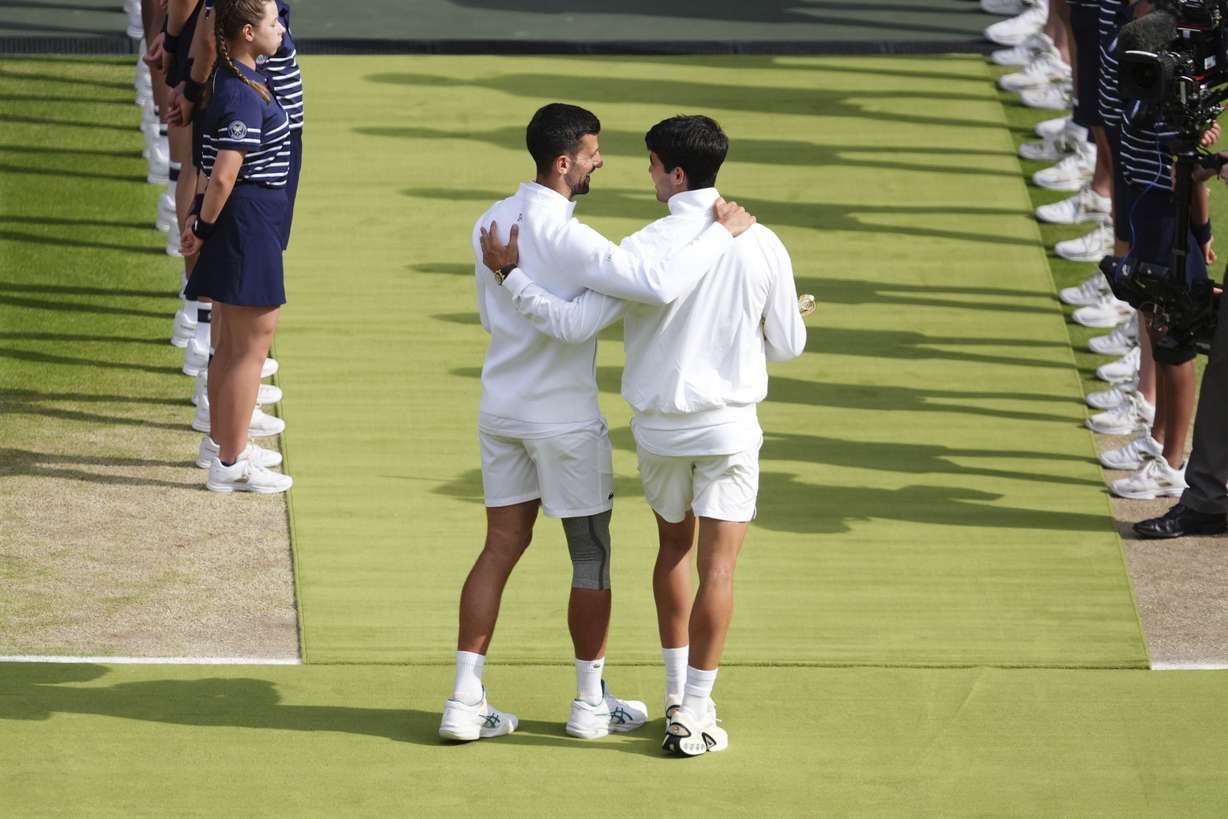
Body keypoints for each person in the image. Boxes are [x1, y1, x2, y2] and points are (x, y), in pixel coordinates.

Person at [478, 115, 807, 757]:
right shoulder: (762, 243)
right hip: (729, 428)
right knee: (719, 566)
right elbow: (788, 345)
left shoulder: (642, 245)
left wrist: (509, 278)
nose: (642, 172)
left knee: (675, 553)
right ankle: (697, 708)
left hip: (659, 434)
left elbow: (573, 323)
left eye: (650, 163)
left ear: (674, 173)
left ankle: (676, 693)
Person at [179, 0, 293, 493]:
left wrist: (200, 222)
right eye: (272, 22)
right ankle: (231, 460)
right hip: (247, 221)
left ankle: (226, 449)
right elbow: (223, 174)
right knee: (248, 349)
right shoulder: (242, 94)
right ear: (248, 33)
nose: (280, 27)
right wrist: (201, 229)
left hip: (244, 220)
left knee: (228, 349)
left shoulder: (232, 83)